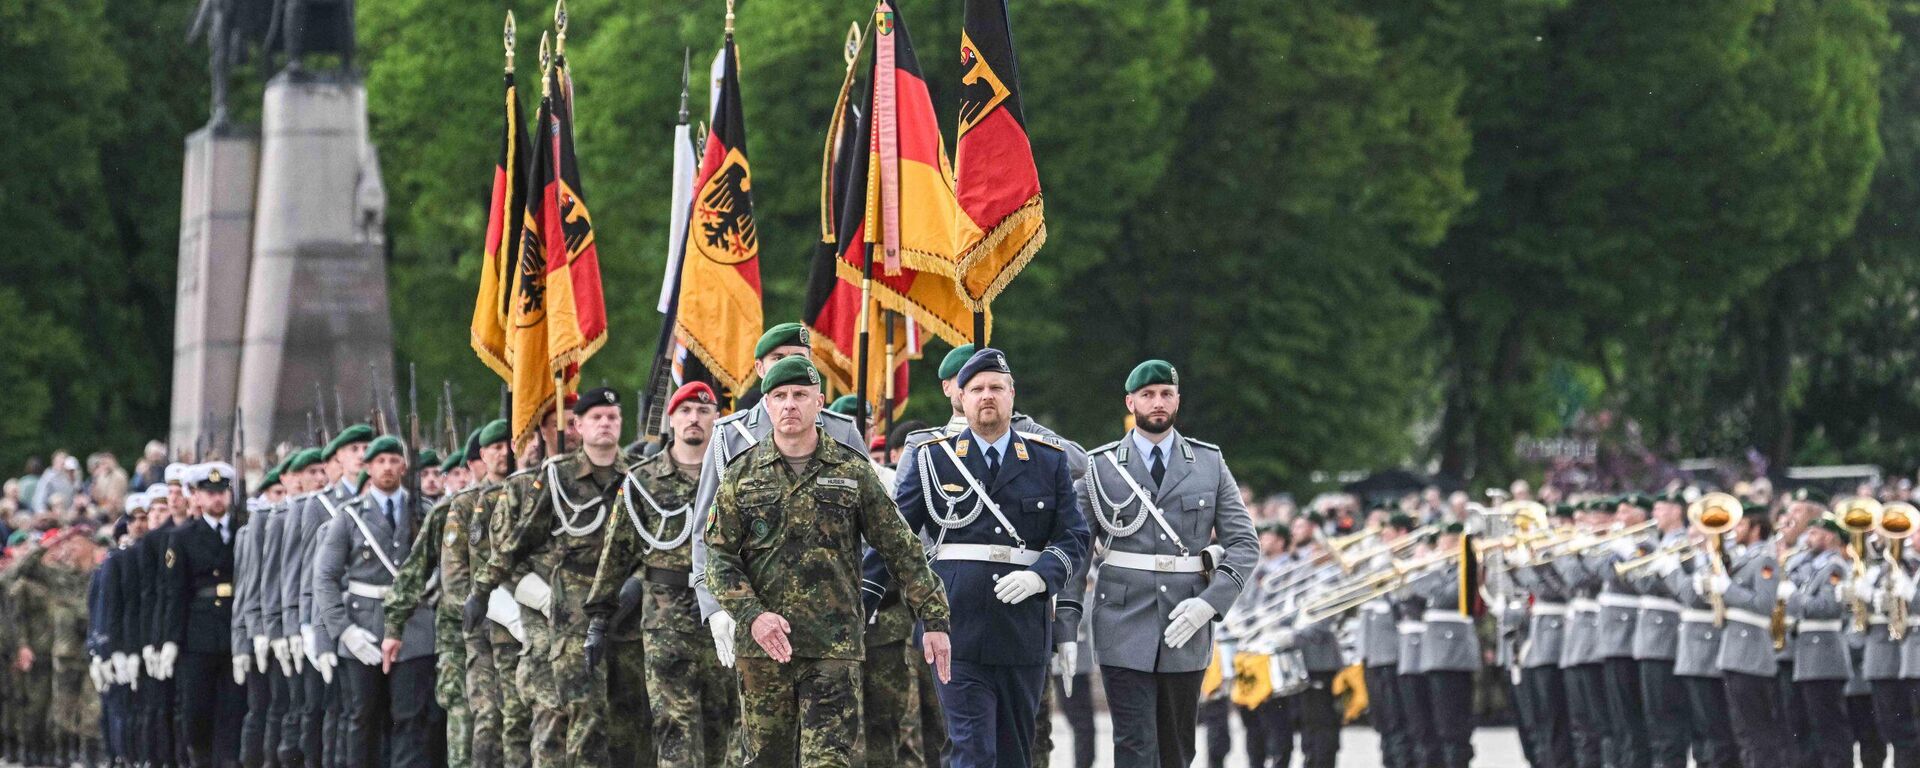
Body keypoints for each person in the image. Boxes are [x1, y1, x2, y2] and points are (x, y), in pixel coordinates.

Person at [705, 356, 953, 767]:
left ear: (819, 403)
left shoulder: (852, 470)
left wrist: (935, 618)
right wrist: (752, 615)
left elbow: (901, 547)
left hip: (833, 645)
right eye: (779, 396)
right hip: (764, 647)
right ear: (767, 404)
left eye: (800, 395)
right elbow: (718, 557)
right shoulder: (741, 474)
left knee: (829, 760)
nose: (789, 404)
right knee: (767, 760)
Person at [873, 348, 1090, 768]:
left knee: (1014, 753)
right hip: (956, 625)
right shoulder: (933, 457)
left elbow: (1073, 535)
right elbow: (894, 537)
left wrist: (1041, 576)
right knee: (972, 750)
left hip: (1022, 629)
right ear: (961, 397)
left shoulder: (1047, 460)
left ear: (1012, 395)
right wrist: (863, 597)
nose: (986, 396)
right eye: (976, 389)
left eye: (995, 388)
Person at [1079, 360, 1256, 768]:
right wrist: (1067, 620)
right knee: (1135, 747)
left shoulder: (1209, 462)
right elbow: (1077, 546)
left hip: (1186, 620)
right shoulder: (1100, 466)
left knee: (1177, 749)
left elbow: (1244, 544)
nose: (1157, 402)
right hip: (1122, 621)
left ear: (1177, 400)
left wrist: (1209, 604)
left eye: (1166, 394)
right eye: (1147, 395)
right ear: (1131, 402)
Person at [687, 323, 867, 672]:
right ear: (759, 368)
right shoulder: (730, 436)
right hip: (751, 610)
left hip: (831, 613)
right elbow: (705, 533)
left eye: (798, 357)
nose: (787, 365)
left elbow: (874, 524)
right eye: (777, 358)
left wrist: (866, 593)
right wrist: (715, 607)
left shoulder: (842, 432)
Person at [585, 381, 735, 768]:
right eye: (685, 411)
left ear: (717, 419)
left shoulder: (734, 474)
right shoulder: (642, 480)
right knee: (673, 726)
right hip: (666, 620)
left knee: (722, 726)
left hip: (722, 615)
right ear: (671, 419)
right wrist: (599, 617)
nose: (694, 418)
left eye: (703, 411)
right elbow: (617, 552)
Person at [314, 435, 438, 768]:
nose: (387, 467)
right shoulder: (349, 516)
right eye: (380, 461)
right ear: (368, 468)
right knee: (362, 719)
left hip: (414, 627)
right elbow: (325, 578)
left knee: (410, 720)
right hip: (364, 627)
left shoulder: (426, 511)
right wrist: (343, 630)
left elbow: (446, 563)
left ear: (404, 466)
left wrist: (432, 587)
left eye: (394, 460)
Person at [382, 445, 479, 768]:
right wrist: (393, 627)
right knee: (449, 722)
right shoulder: (445, 512)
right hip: (449, 633)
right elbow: (412, 572)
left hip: (499, 634)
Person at [159, 462, 246, 767]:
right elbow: (175, 592)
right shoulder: (183, 537)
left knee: (234, 708)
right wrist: (171, 639)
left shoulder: (243, 530)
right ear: (197, 496)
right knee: (197, 710)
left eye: (221, 492)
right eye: (210, 493)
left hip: (235, 628)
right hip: (198, 632)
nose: (217, 498)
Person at [1715, 506, 1786, 768]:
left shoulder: (1764, 561)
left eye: (1741, 525)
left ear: (1756, 528)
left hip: (1751, 654)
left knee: (1757, 733)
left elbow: (1765, 603)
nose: (1735, 531)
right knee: (1743, 733)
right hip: (1735, 652)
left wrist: (1728, 589)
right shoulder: (1743, 558)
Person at [1784, 513, 1855, 768]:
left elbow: (1826, 607)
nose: (1808, 538)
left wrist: (1793, 597)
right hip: (1808, 655)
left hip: (1824, 655)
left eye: (1814, 533)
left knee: (1829, 728)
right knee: (1808, 727)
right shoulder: (1813, 567)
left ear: (1830, 537)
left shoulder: (1834, 568)